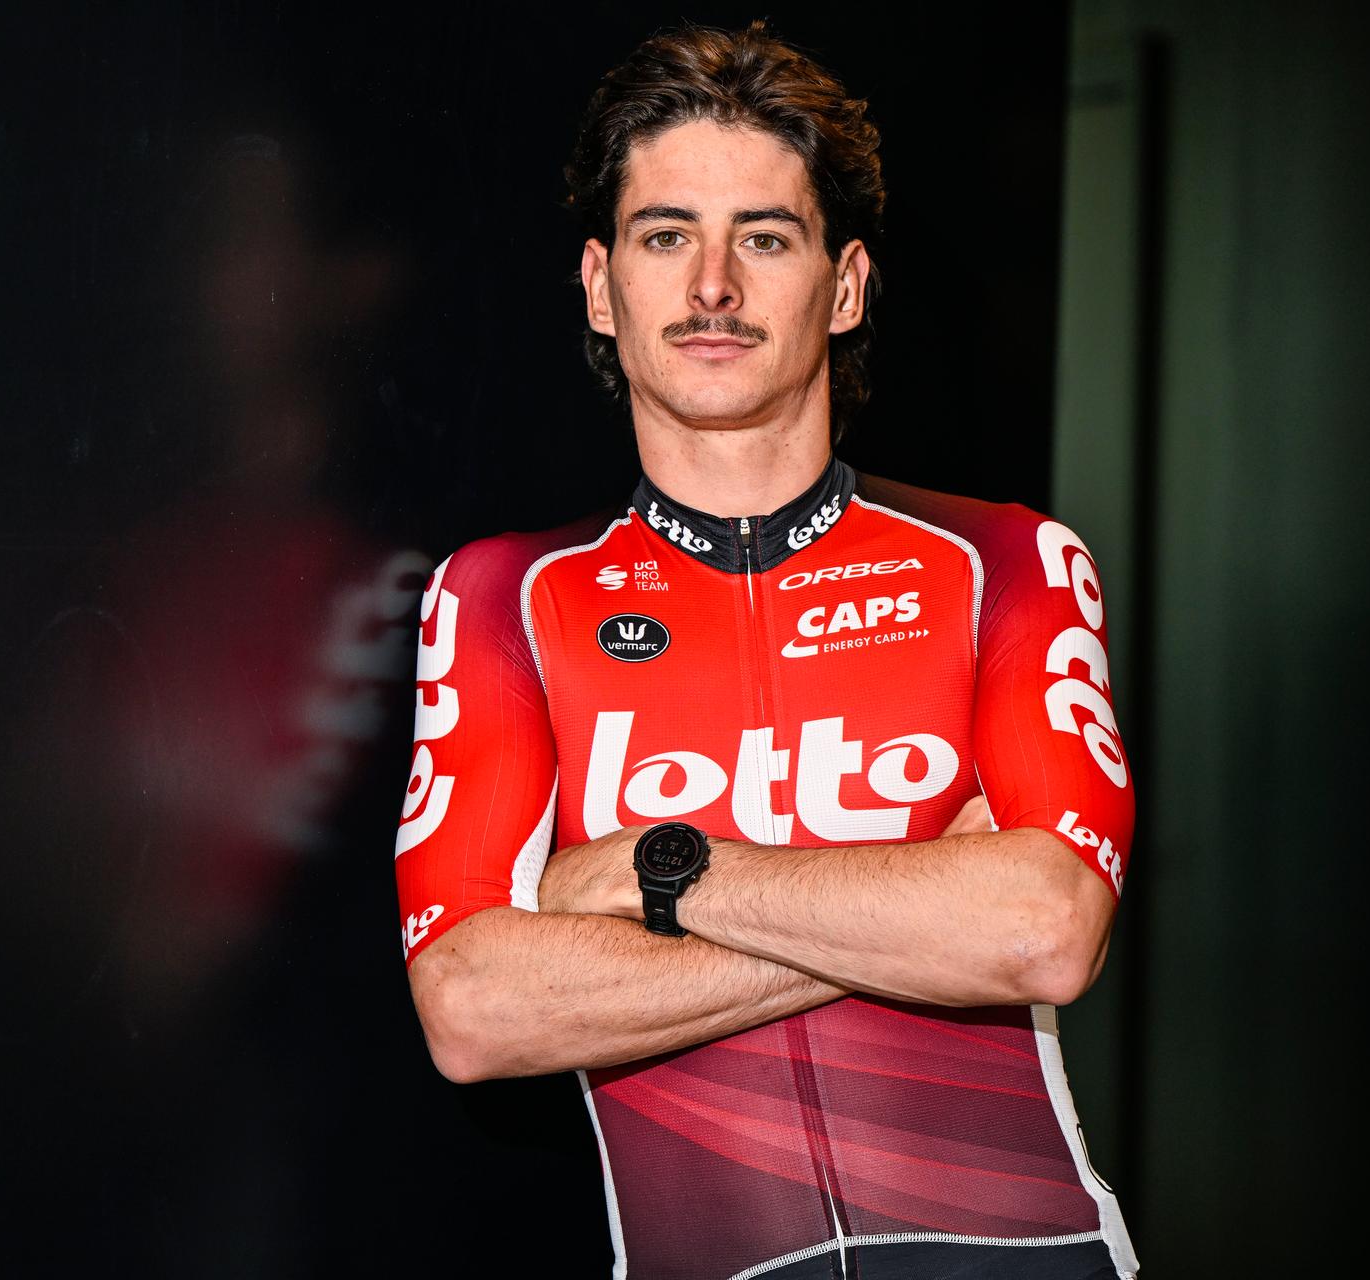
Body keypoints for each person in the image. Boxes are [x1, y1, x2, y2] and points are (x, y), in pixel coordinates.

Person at [394, 21, 1138, 1280]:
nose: (714, 287)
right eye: (667, 234)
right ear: (599, 282)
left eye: (767, 236)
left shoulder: (1002, 560)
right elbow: (473, 1006)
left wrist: (655, 869)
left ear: (844, 286)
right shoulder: (504, 595)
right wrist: (907, 899)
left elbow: (1044, 928)